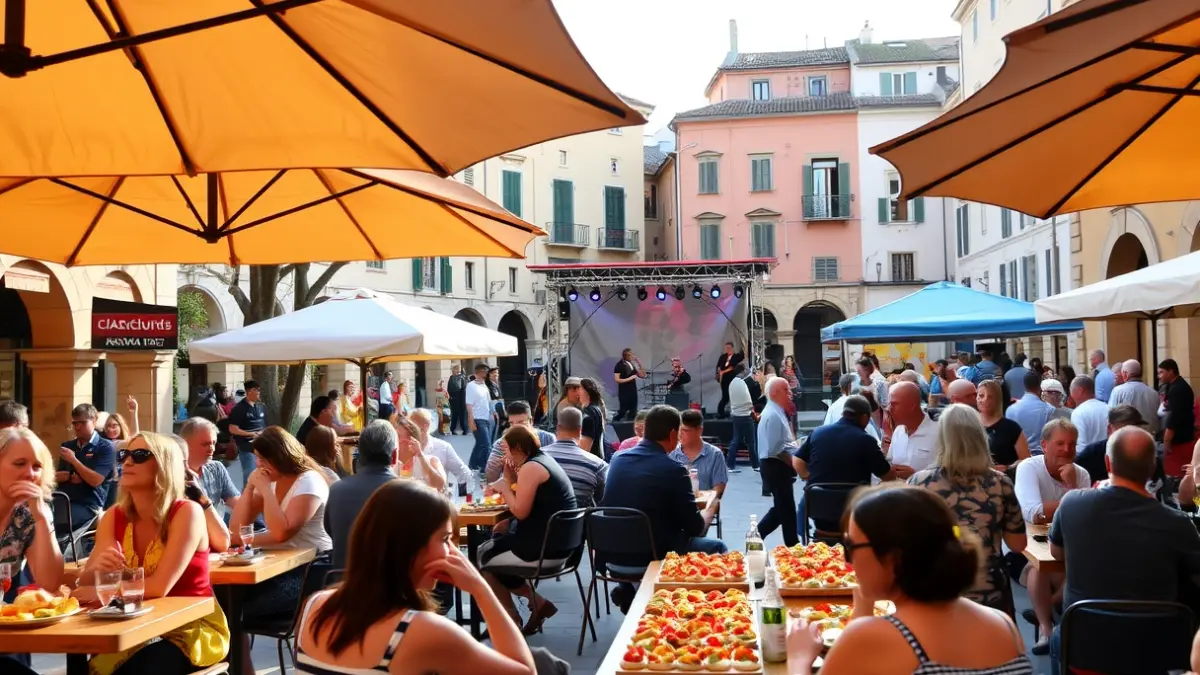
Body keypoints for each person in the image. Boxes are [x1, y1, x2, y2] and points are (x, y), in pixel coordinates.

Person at [296, 480, 538, 675]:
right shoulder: (421, 631)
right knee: (545, 663)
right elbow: (526, 671)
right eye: (445, 540)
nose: (452, 552)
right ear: (410, 546)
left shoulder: (314, 606)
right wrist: (481, 589)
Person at [787, 485, 1032, 675]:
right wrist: (865, 603)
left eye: (850, 546)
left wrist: (799, 659)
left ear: (894, 558)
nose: (846, 561)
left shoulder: (874, 637)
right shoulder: (1005, 624)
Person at [77, 432, 230, 675]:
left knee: (144, 665)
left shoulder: (186, 513)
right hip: (131, 627)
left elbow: (159, 587)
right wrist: (95, 572)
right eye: (124, 455)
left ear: (165, 465)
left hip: (188, 630)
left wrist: (103, 588)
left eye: (139, 456)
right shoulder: (112, 517)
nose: (127, 462)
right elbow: (83, 586)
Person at [1049, 426, 1200, 672]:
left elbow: (1057, 553)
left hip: (1084, 651)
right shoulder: (1177, 524)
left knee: (1059, 633)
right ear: (1152, 469)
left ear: (1108, 463)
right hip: (1154, 655)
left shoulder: (1072, 503)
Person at [602, 405, 725, 612]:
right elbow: (696, 529)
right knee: (717, 547)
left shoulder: (617, 460)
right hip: (655, 556)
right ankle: (707, 613)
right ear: (672, 434)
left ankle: (629, 588)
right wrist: (710, 508)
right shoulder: (674, 470)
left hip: (613, 556)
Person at [908, 405, 1026, 612]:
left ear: (943, 438)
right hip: (989, 592)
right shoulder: (1001, 483)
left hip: (936, 590)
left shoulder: (919, 484)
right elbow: (1017, 544)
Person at [229, 427, 332, 638]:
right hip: (277, 567)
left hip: (308, 572)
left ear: (281, 457)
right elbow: (236, 528)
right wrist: (249, 488)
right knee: (226, 599)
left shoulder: (309, 481)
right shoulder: (272, 480)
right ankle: (239, 667)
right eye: (257, 458)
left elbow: (281, 532)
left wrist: (266, 491)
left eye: (264, 459)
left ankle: (239, 666)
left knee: (234, 609)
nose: (259, 465)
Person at [479, 425, 577, 634]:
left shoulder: (531, 468)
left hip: (544, 549)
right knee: (496, 540)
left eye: (505, 449)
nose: (503, 454)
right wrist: (509, 479)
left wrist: (504, 487)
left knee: (483, 559)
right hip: (562, 544)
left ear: (517, 448)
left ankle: (512, 619)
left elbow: (521, 512)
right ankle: (533, 604)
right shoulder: (542, 461)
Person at [1014, 418, 1090, 654]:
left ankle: (1045, 612)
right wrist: (1073, 498)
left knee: (1080, 567)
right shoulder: (1029, 467)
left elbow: (1086, 518)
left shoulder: (1081, 474)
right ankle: (1047, 628)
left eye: (1072, 444)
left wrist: (1069, 489)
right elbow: (1033, 513)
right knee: (1041, 567)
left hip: (1067, 544)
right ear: (1045, 445)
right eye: (1060, 443)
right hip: (1027, 546)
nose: (1067, 450)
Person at [795, 396, 895, 536]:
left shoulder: (818, 432)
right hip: (853, 515)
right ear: (865, 417)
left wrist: (808, 477)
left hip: (820, 514)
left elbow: (797, 461)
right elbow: (888, 476)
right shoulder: (866, 440)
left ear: (843, 413)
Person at [324, 420, 398, 570]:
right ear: (395, 455)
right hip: (393, 588)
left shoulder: (337, 490)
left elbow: (331, 531)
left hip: (343, 585)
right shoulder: (412, 493)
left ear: (360, 455)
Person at [0, 427, 62, 593]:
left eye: (37, 467)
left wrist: (42, 519)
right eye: (20, 464)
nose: (30, 474)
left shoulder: (30, 513)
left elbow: (50, 584)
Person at [56, 403, 116, 542]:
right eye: (74, 423)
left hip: (88, 504)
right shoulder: (68, 446)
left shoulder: (105, 447)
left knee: (56, 520)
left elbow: (96, 480)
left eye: (82, 423)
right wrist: (68, 476)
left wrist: (74, 460)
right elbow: (59, 475)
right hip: (62, 499)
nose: (77, 427)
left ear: (94, 420)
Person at [179, 418, 238, 553]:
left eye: (213, 443)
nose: (211, 448)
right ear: (185, 445)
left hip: (219, 542)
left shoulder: (216, 468)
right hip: (190, 548)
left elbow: (238, 504)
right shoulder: (173, 476)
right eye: (205, 444)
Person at [757, 377, 801, 547]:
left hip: (776, 464)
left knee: (783, 508)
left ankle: (758, 536)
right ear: (774, 392)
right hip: (775, 465)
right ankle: (791, 544)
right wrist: (794, 464)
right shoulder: (773, 414)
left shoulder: (776, 411)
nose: (790, 393)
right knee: (785, 508)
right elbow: (776, 449)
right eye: (785, 389)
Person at [541, 407, 608, 507]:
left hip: (543, 519)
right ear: (580, 430)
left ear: (558, 428)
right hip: (579, 520)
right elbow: (601, 499)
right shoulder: (598, 465)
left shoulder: (539, 457)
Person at [485, 402, 555, 484]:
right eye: (512, 423)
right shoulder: (502, 443)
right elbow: (491, 481)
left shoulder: (548, 439)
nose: (515, 427)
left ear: (531, 421)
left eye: (520, 422)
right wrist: (493, 469)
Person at [1075, 405, 1147, 484]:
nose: (1132, 435)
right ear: (1110, 428)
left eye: (1136, 430)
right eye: (1125, 430)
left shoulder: (1145, 454)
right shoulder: (1090, 455)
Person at [886, 382, 938, 478]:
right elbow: (891, 462)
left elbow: (948, 475)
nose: (889, 409)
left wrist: (915, 477)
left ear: (911, 406)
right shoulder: (898, 431)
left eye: (894, 404)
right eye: (889, 404)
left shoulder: (939, 433)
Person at [670, 410, 729, 496]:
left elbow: (719, 487)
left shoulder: (715, 454)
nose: (680, 434)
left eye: (685, 430)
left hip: (704, 505)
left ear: (699, 430)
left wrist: (702, 498)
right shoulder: (671, 454)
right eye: (679, 430)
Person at [409, 408, 471, 488]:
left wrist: (461, 495)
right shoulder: (404, 446)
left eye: (412, 427)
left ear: (425, 426)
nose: (409, 431)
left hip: (435, 498)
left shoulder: (443, 447)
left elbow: (464, 474)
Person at [977, 380, 1030, 473]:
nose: (985, 400)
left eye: (990, 397)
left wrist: (1009, 467)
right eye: (981, 396)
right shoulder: (969, 424)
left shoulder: (1011, 428)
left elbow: (1026, 460)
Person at [226, 380, 266, 489]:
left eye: (259, 390)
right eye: (256, 390)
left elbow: (264, 425)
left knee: (262, 479)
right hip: (247, 449)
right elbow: (233, 429)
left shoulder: (260, 407)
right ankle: (246, 504)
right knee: (250, 480)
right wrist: (252, 434)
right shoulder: (239, 409)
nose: (258, 392)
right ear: (248, 391)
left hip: (262, 449)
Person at [1160, 358, 1196, 478]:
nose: (1159, 376)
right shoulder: (1174, 386)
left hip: (1180, 439)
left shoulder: (1178, 389)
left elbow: (1174, 417)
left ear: (1171, 372)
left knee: (1178, 474)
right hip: (1181, 436)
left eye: (1161, 372)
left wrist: (1167, 441)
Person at [1006, 371, 1054, 454]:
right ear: (1040, 386)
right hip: (1041, 457)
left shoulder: (1010, 409)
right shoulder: (1049, 409)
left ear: (1024, 386)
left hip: (1018, 457)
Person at [393, 415, 446, 491]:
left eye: (408, 436)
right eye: (398, 436)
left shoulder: (432, 460)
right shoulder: (390, 463)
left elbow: (440, 485)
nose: (402, 440)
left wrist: (420, 455)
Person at [1108, 359, 1160, 435]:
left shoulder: (1118, 391)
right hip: (1149, 438)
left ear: (1125, 374)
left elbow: (1110, 416)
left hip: (1127, 439)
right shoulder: (1154, 393)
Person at [726, 367, 759, 473]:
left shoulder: (732, 383)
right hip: (745, 415)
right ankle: (755, 465)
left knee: (735, 440)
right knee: (751, 442)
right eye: (745, 370)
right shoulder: (742, 383)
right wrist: (752, 411)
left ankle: (730, 465)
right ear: (742, 371)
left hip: (736, 415)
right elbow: (748, 401)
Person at [1068, 375, 1108, 452]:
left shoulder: (1078, 413)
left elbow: (1080, 445)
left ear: (1080, 391)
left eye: (1071, 390)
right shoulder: (1108, 408)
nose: (1070, 395)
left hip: (1087, 461)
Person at [466, 364, 495, 470]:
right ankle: (484, 468)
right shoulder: (471, 385)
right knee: (486, 445)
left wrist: (493, 413)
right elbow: (469, 404)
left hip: (487, 418)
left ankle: (473, 465)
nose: (486, 373)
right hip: (477, 418)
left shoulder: (484, 385)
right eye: (485, 371)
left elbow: (488, 401)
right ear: (479, 372)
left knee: (480, 444)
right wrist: (471, 420)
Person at [612, 348, 645, 421]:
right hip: (624, 391)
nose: (632, 357)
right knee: (623, 411)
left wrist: (639, 364)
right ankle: (616, 421)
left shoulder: (632, 364)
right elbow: (617, 379)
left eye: (632, 355)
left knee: (633, 410)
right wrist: (631, 378)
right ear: (625, 356)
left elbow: (642, 375)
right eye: (630, 355)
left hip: (632, 390)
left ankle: (631, 423)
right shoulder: (619, 365)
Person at [579, 377, 608, 457]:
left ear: (586, 391)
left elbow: (585, 447)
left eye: (580, 388)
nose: (578, 391)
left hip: (591, 458)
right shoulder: (596, 408)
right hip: (597, 456)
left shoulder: (588, 413)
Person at [715, 341, 744, 418]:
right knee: (725, 396)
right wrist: (718, 373)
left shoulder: (736, 357)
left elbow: (733, 366)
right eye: (726, 348)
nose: (727, 349)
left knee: (731, 395)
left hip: (732, 378)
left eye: (729, 348)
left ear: (732, 348)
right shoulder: (723, 357)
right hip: (724, 379)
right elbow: (718, 366)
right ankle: (721, 412)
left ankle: (732, 411)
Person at [447, 365, 469, 435]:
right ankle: (453, 429)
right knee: (455, 415)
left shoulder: (461, 377)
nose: (453, 371)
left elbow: (463, 388)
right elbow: (449, 388)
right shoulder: (452, 377)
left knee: (461, 415)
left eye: (454, 369)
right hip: (453, 399)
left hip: (460, 398)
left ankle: (464, 429)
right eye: (452, 370)